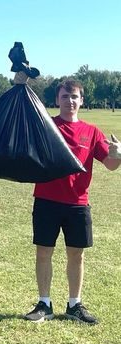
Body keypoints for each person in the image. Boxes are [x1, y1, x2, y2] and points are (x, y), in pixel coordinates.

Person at [25, 79, 121, 324]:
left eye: (75, 96)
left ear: (82, 100)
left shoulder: (91, 132)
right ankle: (44, 304)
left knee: (76, 254)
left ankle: (74, 305)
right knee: (44, 252)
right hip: (46, 199)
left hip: (78, 203)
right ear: (57, 100)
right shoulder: (47, 125)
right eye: (65, 96)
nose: (70, 101)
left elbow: (110, 165)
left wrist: (117, 155)